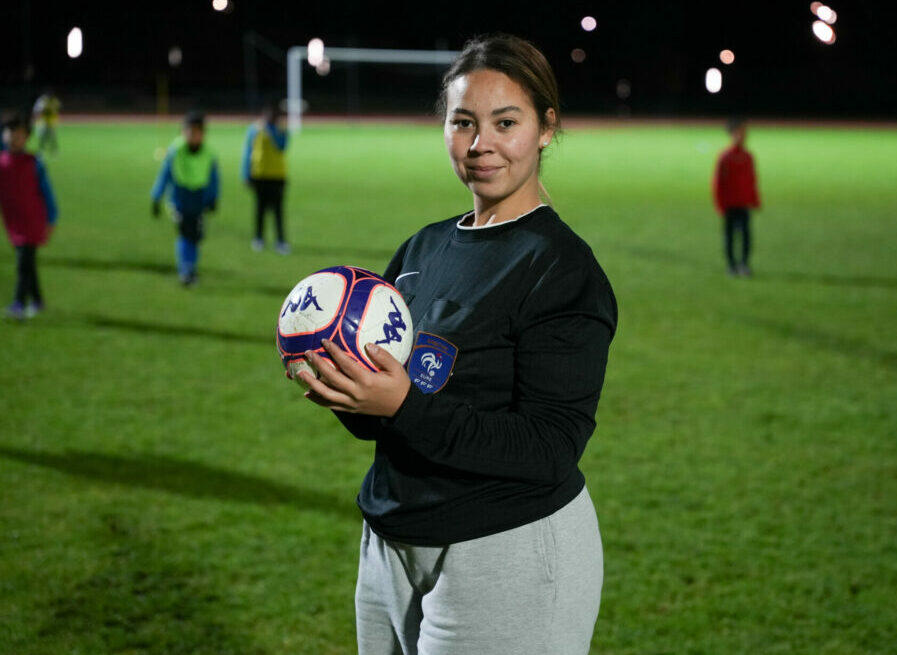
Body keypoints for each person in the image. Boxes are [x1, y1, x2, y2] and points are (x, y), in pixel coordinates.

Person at [296, 34, 617, 655]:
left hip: (503, 546)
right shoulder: (423, 248)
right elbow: (389, 412)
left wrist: (401, 405)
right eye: (463, 121)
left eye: (505, 123)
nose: (480, 144)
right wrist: (344, 386)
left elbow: (549, 447)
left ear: (547, 128)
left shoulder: (560, 268)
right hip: (390, 539)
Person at [150, 110, 219, 286]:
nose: (193, 135)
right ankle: (185, 269)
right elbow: (165, 175)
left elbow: (214, 178)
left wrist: (213, 198)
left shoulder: (208, 153)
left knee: (196, 236)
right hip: (180, 199)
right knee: (185, 233)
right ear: (183, 132)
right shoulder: (175, 151)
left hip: (199, 200)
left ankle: (191, 267)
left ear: (203, 133)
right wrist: (156, 196)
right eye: (189, 131)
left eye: (197, 132)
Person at [0, 112, 58, 320]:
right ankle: (38, 300)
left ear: (26, 137)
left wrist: (52, 219)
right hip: (13, 222)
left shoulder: (34, 162)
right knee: (28, 264)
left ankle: (18, 304)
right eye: (9, 133)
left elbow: (47, 193)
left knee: (23, 263)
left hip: (33, 221)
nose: (13, 137)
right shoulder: (2, 162)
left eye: (19, 134)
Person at [712, 116, 761, 276]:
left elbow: (752, 180)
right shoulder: (725, 156)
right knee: (729, 236)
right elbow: (718, 182)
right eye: (740, 132)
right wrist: (720, 204)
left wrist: (755, 199)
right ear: (732, 134)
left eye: (745, 132)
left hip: (743, 203)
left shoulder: (748, 156)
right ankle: (731, 265)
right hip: (729, 204)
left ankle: (744, 264)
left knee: (746, 235)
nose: (744, 135)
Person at [241, 101, 290, 254]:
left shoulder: (281, 130)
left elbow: (282, 146)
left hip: (277, 176)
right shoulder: (254, 129)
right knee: (260, 209)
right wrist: (245, 173)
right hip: (260, 175)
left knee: (278, 211)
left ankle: (280, 241)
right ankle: (258, 238)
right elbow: (247, 152)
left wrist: (273, 132)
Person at [31, 88, 61, 156]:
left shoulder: (54, 101)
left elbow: (58, 108)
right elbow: (37, 110)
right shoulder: (42, 100)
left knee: (52, 138)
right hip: (42, 122)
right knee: (42, 137)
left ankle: (54, 150)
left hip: (51, 122)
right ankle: (41, 150)